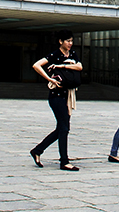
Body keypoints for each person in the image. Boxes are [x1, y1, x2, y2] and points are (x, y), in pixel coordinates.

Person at [29, 30, 83, 171]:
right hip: (56, 96)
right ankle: (64, 161)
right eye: (67, 41)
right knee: (64, 128)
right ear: (61, 41)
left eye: (71, 41)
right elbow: (36, 65)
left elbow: (79, 66)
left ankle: (37, 150)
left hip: (68, 96)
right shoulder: (55, 54)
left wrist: (61, 66)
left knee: (62, 128)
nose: (70, 43)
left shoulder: (72, 54)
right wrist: (49, 78)